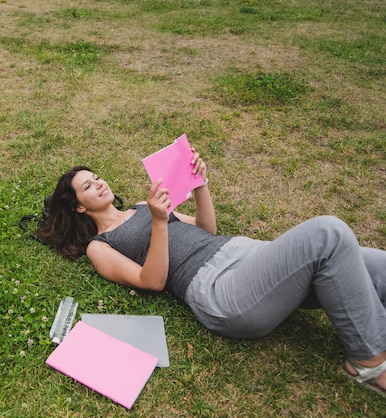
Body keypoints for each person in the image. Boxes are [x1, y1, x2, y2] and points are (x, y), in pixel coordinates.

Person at [36, 149, 386, 398]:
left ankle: (371, 332)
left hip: (245, 253)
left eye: (96, 177)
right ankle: (367, 363)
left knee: (372, 262)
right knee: (327, 234)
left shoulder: (143, 205)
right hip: (220, 289)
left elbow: (207, 229)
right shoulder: (100, 246)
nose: (98, 184)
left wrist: (199, 185)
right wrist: (160, 221)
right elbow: (152, 281)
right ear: (79, 207)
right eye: (87, 186)